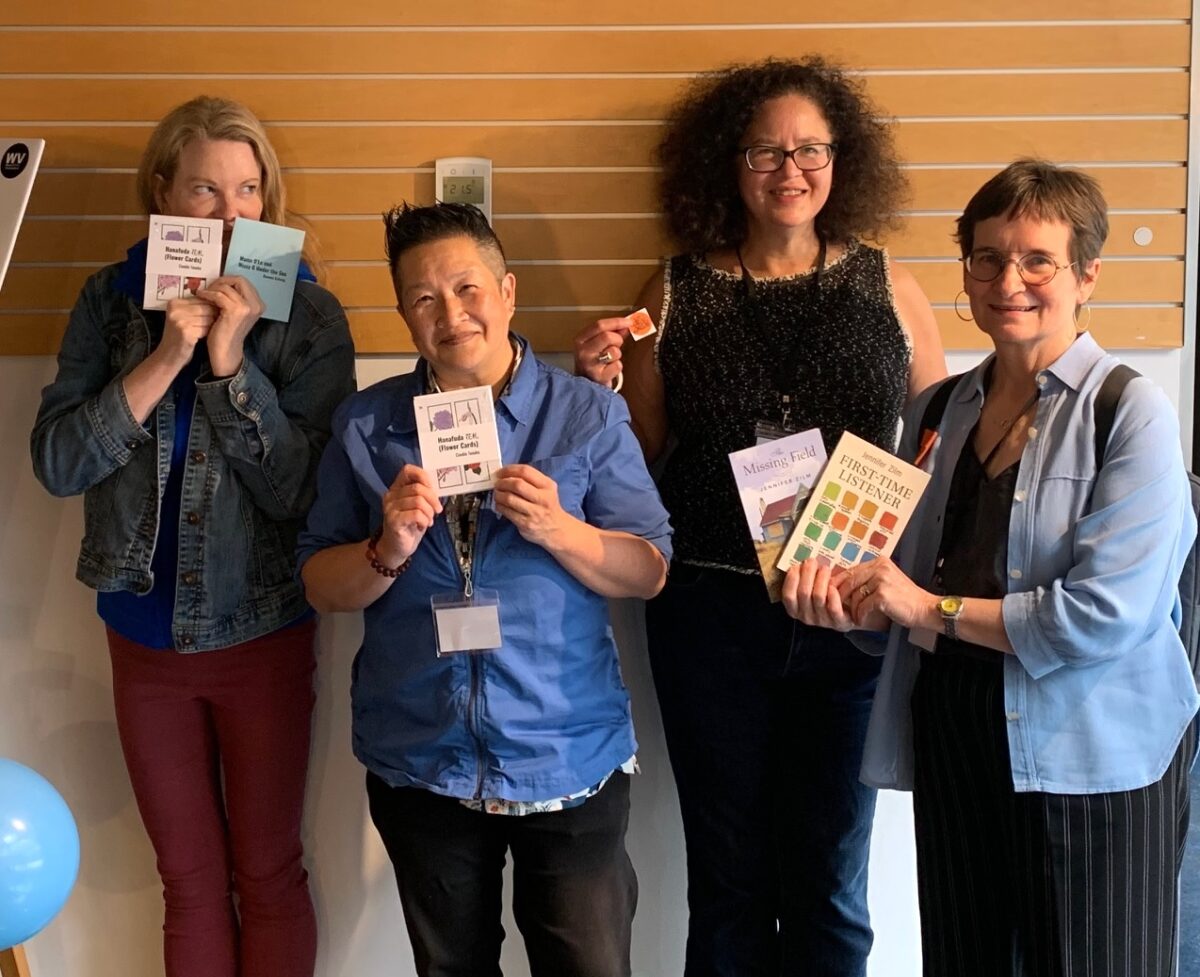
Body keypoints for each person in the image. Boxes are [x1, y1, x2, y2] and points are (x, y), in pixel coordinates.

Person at [573, 57, 946, 976]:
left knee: (831, 883)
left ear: (840, 158)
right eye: (765, 150)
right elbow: (649, 446)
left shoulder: (891, 287)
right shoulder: (671, 291)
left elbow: (937, 439)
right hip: (712, 616)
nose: (790, 168)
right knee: (729, 884)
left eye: (810, 148)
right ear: (726, 164)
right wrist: (603, 387)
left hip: (853, 614)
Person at [783, 159, 1198, 977]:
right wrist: (848, 600)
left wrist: (925, 607)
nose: (1009, 279)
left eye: (1037, 259)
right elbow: (900, 580)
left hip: (1092, 757)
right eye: (986, 257)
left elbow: (1102, 616)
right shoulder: (938, 409)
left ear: (1086, 276)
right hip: (958, 737)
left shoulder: (1130, 412)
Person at [298, 202, 672, 977]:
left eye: (467, 288)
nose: (451, 313)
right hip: (421, 757)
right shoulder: (366, 426)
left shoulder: (588, 414)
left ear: (507, 291)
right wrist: (386, 547)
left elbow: (650, 568)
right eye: (424, 298)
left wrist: (563, 529)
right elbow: (320, 581)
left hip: (565, 755)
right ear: (404, 313)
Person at [30, 96, 357, 977]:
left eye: (249, 190)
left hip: (263, 629)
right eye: (205, 190)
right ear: (162, 193)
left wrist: (229, 365)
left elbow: (301, 492)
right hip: (142, 633)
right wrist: (167, 355)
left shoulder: (309, 315)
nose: (229, 213)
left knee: (268, 871)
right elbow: (58, 463)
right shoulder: (108, 300)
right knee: (189, 880)